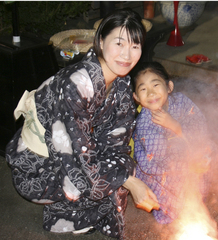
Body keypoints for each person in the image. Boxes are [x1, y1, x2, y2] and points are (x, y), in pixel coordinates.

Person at [5, 9, 160, 239]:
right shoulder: (76, 83)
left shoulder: (121, 87)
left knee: (123, 167)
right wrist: (127, 181)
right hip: (38, 166)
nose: (127, 55)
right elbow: (76, 159)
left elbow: (117, 145)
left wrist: (124, 174)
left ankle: (79, 208)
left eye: (135, 46)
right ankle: (61, 217)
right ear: (100, 41)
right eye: (119, 43)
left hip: (78, 151)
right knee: (95, 179)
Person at [131, 61, 218, 226]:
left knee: (211, 151)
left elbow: (199, 123)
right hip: (160, 170)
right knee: (177, 193)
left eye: (155, 85)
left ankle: (197, 196)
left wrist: (176, 127)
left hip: (186, 150)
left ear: (169, 87)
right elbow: (157, 160)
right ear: (137, 98)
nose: (151, 93)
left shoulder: (180, 101)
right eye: (143, 89)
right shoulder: (145, 122)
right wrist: (185, 165)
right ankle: (176, 207)